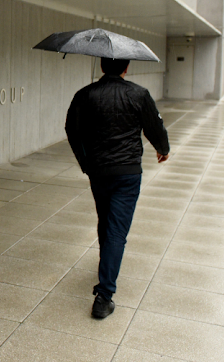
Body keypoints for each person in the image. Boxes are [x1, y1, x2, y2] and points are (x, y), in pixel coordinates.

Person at [65, 57, 170, 319]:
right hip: (127, 172)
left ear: (101, 66)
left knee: (106, 220)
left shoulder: (85, 94)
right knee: (117, 229)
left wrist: (85, 162)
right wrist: (163, 149)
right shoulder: (138, 94)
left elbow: (71, 129)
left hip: (99, 171)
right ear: (126, 68)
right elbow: (154, 126)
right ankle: (104, 295)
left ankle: (106, 267)